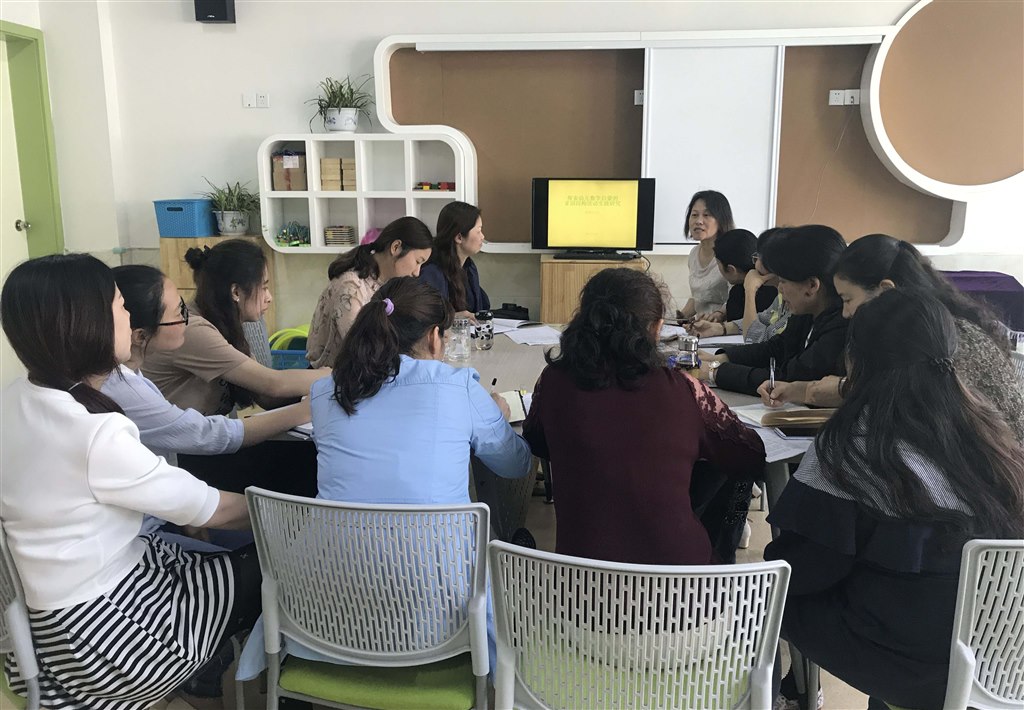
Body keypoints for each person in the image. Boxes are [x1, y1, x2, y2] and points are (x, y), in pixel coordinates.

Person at [236, 276, 532, 680]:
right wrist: (495, 414)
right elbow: (515, 465)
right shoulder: (458, 386)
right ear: (434, 338)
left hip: (318, 614)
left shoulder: (328, 392)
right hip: (439, 621)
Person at [0, 254, 260, 709]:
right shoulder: (93, 432)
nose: (128, 317)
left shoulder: (16, 399)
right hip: (109, 639)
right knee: (271, 565)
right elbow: (216, 509)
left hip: (40, 630)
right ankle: (200, 675)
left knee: (205, 552)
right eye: (120, 306)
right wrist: (297, 515)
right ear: (88, 324)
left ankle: (203, 674)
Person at [764, 289, 1024, 710]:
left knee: (779, 595)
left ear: (855, 361)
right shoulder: (993, 433)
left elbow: (801, 569)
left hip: (919, 667)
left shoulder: (853, 445)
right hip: (1001, 653)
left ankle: (798, 695)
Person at [522, 268, 766, 566]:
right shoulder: (684, 390)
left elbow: (536, 441)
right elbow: (750, 455)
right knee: (727, 471)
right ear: (656, 328)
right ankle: (722, 563)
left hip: (582, 582)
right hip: (682, 584)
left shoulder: (553, 382)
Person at [758, 234, 1024, 440]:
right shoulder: (918, 329)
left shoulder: (942, 338)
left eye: (848, 300)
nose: (846, 314)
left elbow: (908, 402)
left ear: (885, 290)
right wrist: (799, 390)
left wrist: (828, 390)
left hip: (992, 471)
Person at [141, 239, 328, 495]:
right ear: (236, 292)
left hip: (205, 444)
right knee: (304, 469)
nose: (269, 297)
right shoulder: (195, 330)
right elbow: (273, 383)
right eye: (264, 287)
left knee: (308, 457)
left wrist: (315, 396)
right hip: (181, 457)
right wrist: (335, 376)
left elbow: (266, 396)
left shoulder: (225, 325)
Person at [700, 225, 847, 395]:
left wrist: (714, 372)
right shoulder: (809, 311)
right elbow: (777, 348)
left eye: (783, 281)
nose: (779, 289)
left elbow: (787, 379)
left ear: (812, 285)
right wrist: (719, 359)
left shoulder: (840, 327)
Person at [306, 216, 433, 368]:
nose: (417, 272)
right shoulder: (351, 287)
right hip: (331, 376)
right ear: (396, 247)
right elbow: (364, 349)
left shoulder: (387, 284)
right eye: (418, 262)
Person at [687, 228, 777, 337]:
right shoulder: (738, 291)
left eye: (718, 264)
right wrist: (718, 327)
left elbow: (752, 335)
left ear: (731, 269)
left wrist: (750, 291)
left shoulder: (770, 293)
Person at [419, 201, 490, 321]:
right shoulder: (431, 272)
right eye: (478, 231)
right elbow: (426, 318)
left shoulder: (469, 266)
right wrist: (452, 319)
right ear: (459, 237)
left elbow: (481, 309)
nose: (482, 237)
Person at [677, 190, 735, 320]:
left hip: (726, 326)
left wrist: (717, 316)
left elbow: (737, 299)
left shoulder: (731, 253)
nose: (699, 221)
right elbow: (699, 297)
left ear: (721, 220)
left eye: (706, 215)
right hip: (701, 326)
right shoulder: (693, 254)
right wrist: (679, 317)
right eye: (694, 215)